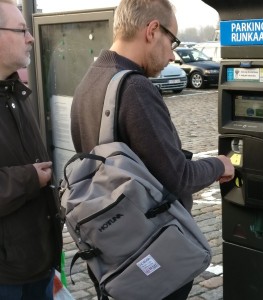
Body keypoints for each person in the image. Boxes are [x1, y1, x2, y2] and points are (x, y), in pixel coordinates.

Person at [71, 0, 234, 299]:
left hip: (114, 253)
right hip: (149, 254)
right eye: (172, 41)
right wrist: (219, 164)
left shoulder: (89, 80)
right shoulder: (134, 89)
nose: (172, 54)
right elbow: (178, 177)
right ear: (152, 30)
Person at [0, 1, 62, 299]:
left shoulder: (15, 93)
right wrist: (29, 178)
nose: (31, 37)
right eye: (21, 29)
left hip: (38, 264)